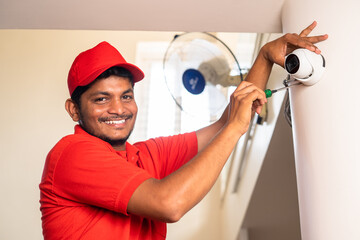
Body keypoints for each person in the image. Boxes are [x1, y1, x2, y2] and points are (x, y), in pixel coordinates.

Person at [39, 21, 327, 240]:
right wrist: (236, 128)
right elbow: (170, 204)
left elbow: (223, 126)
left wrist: (264, 57)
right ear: (74, 110)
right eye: (101, 99)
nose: (119, 108)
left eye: (126, 96)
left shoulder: (143, 156)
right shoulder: (70, 153)